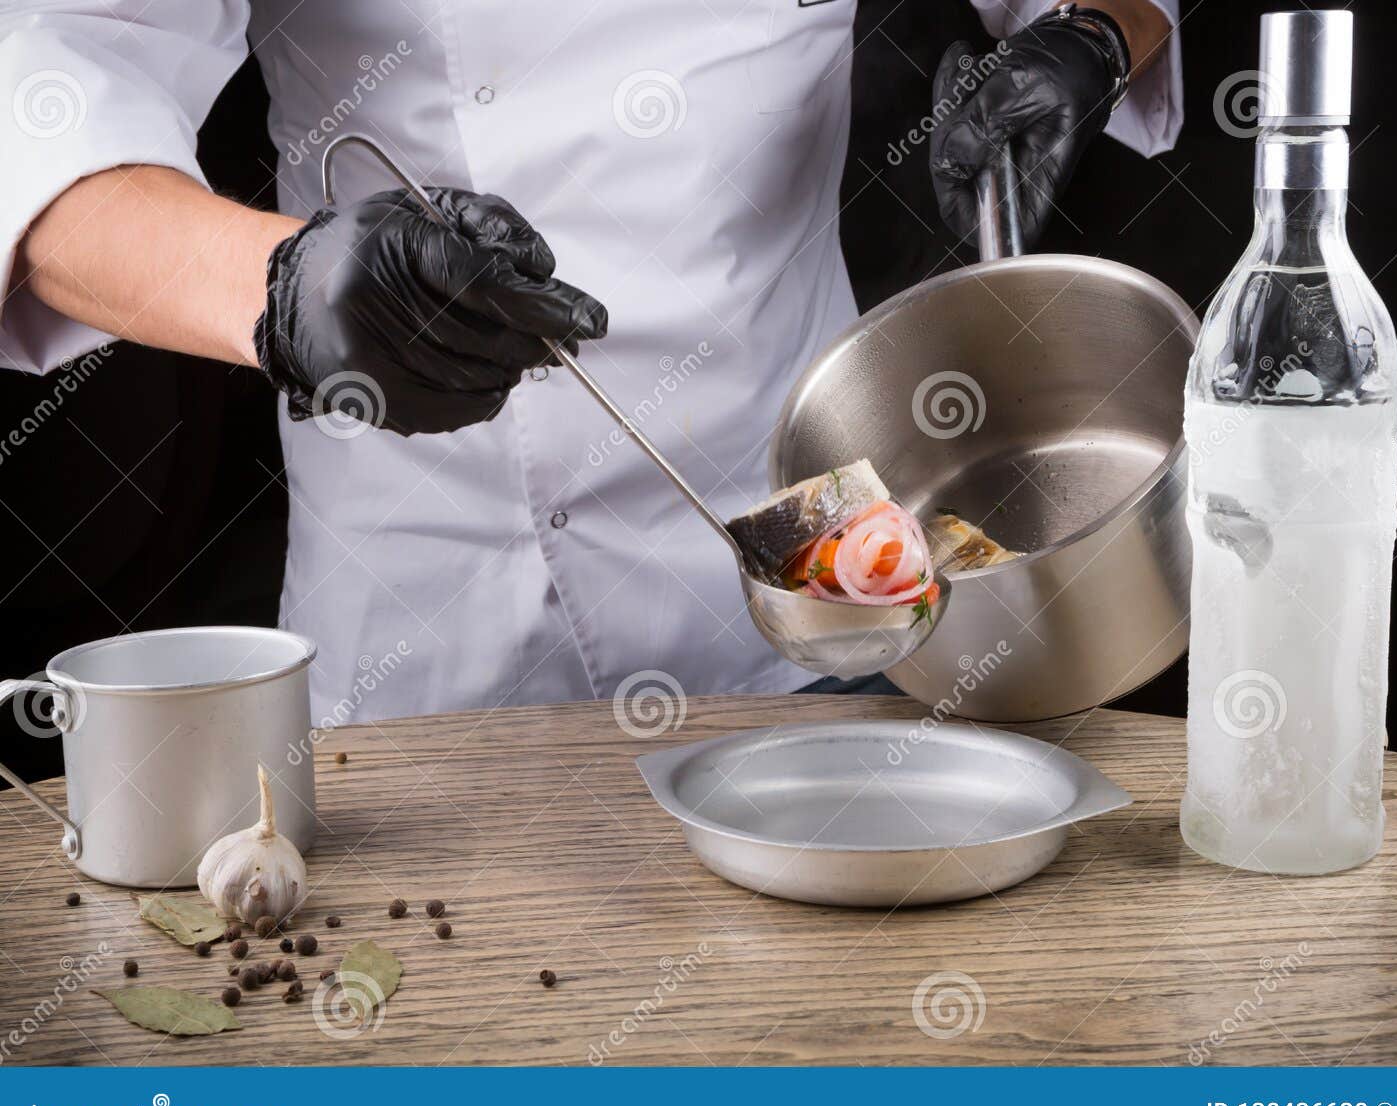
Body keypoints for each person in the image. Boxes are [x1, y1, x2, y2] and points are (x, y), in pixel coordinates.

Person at [0, 2, 1180, 723]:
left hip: (818, 593)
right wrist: (281, 284)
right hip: (438, 624)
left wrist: (1086, 37)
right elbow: (42, 79)